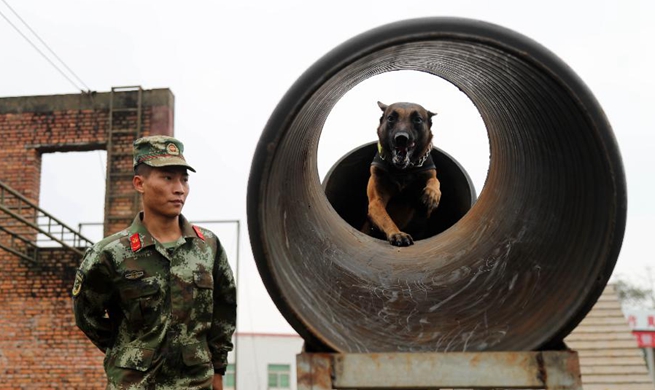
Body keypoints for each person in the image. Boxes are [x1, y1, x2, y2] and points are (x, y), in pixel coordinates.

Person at [72, 135, 237, 390]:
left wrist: (218, 369)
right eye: (168, 178)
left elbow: (224, 312)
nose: (179, 188)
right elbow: (87, 316)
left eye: (184, 179)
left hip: (195, 384)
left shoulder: (207, 247)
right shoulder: (110, 253)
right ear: (140, 183)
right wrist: (129, 351)